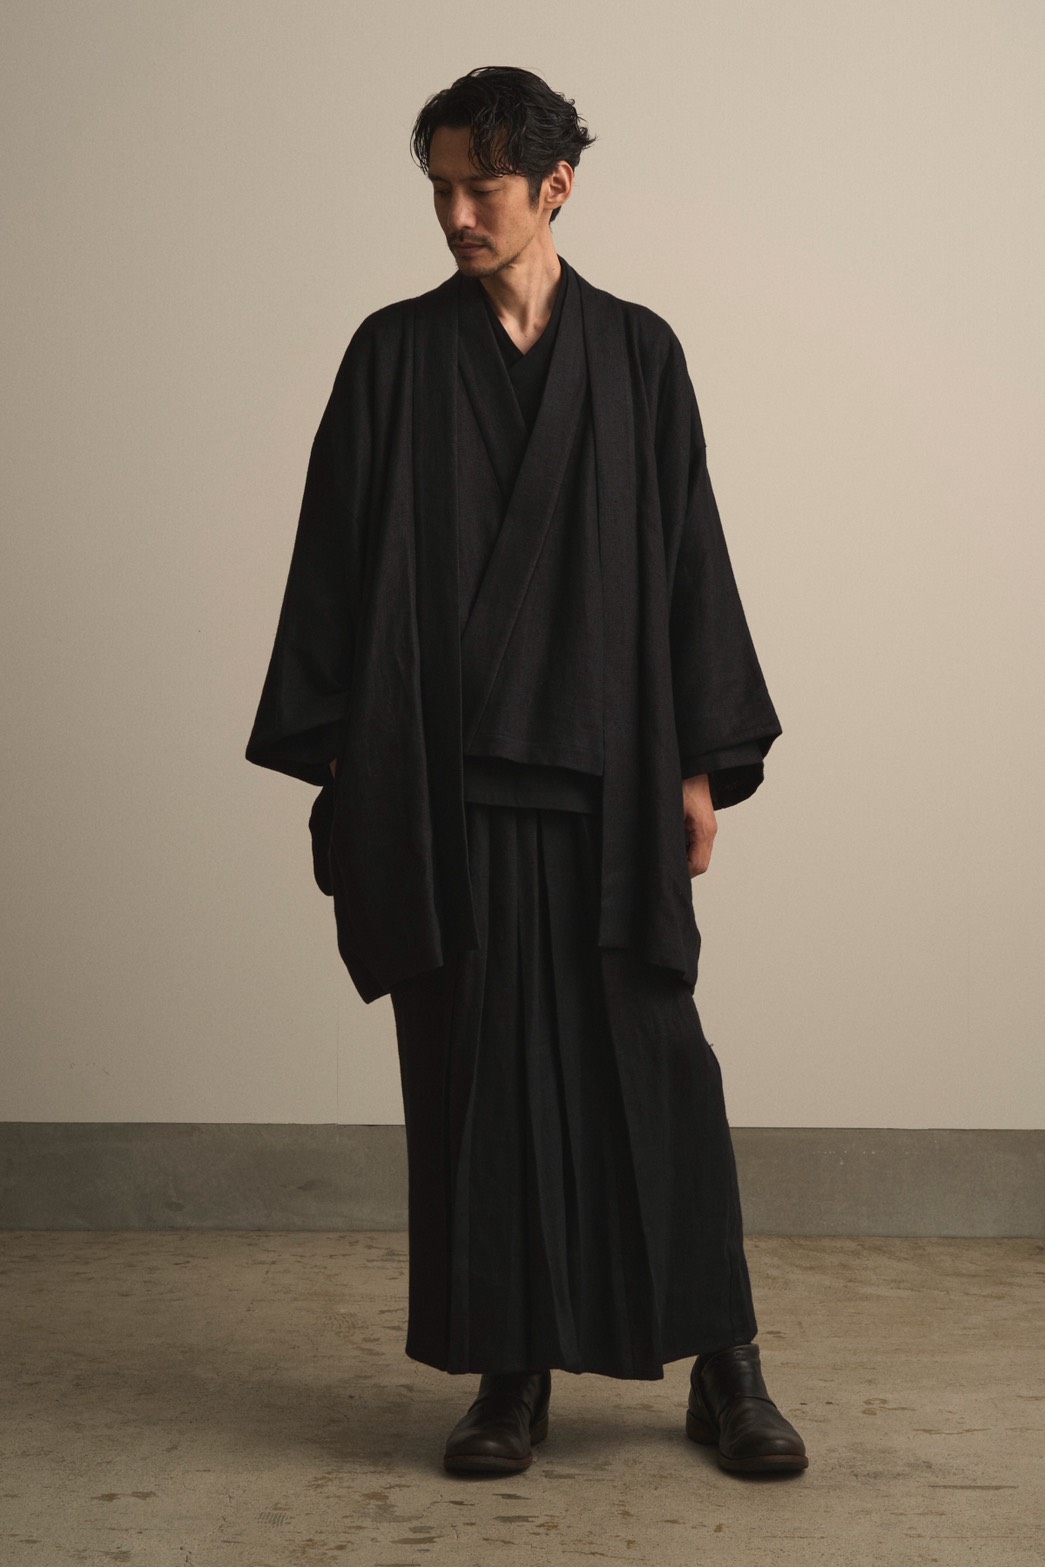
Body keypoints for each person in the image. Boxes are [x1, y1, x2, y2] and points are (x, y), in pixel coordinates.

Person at [246, 65, 807, 1479]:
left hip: (610, 782)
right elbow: (333, 562)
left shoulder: (637, 354)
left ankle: (725, 1366)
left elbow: (685, 557)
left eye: (480, 185)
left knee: (656, 1074)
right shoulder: (392, 355)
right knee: (476, 1082)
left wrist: (699, 765)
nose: (454, 212)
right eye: (437, 185)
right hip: (440, 788)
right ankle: (511, 1375)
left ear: (556, 186)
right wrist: (346, 762)